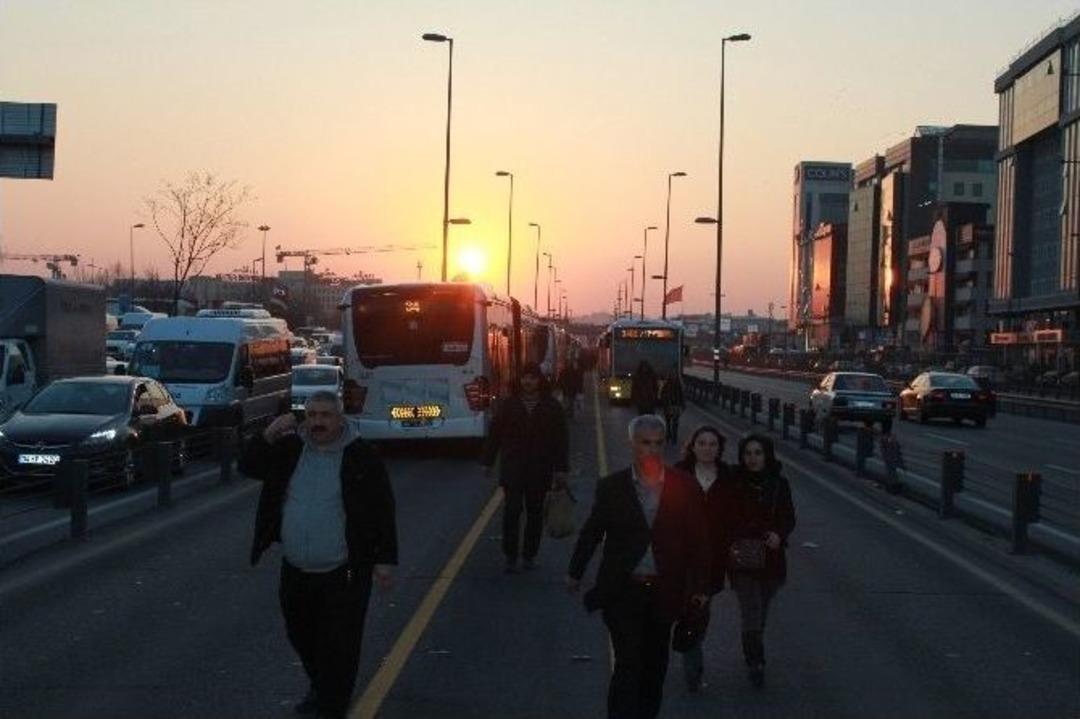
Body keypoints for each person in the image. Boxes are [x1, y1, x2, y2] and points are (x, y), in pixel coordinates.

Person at [239, 391, 397, 719]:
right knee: (301, 634)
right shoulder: (289, 450)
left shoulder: (362, 456)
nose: (318, 422)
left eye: (325, 415)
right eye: (311, 415)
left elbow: (382, 508)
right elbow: (248, 465)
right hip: (296, 567)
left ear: (340, 419)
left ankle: (332, 706)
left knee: (340, 644)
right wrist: (269, 434)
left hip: (345, 570)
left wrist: (384, 559)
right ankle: (321, 686)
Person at [566, 414, 709, 719]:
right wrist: (575, 571)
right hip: (623, 590)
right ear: (632, 444)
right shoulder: (612, 487)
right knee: (628, 662)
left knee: (654, 665)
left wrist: (700, 588)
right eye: (645, 443)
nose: (652, 450)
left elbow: (698, 540)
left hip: (664, 591)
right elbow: (593, 531)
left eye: (658, 443)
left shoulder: (685, 486)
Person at [721, 433, 796, 688]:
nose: (752, 458)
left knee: (761, 610)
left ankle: (753, 644)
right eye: (748, 453)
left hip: (772, 557)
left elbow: (788, 516)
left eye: (758, 453)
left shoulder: (779, 484)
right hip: (743, 554)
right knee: (751, 608)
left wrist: (779, 534)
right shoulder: (734, 481)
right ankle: (756, 660)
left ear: (767, 455)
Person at [483, 362, 570, 573]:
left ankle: (529, 555)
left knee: (535, 513)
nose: (528, 382)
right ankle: (511, 556)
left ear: (539, 380)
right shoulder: (508, 405)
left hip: (540, 469)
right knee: (511, 512)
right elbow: (495, 434)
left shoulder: (551, 406)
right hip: (513, 468)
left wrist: (561, 469)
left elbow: (561, 440)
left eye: (532, 377)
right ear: (519, 380)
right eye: (525, 377)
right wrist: (488, 461)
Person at [673, 425, 729, 693]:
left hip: (714, 558)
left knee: (700, 610)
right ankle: (692, 663)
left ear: (719, 449)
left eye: (713, 444)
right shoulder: (678, 473)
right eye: (702, 443)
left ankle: (690, 644)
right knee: (692, 608)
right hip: (682, 555)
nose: (707, 448)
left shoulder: (728, 477)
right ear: (692, 446)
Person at [658, 373, 685, 445]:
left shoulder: (667, 385)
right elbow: (682, 396)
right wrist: (682, 405)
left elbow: (663, 395)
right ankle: (673, 436)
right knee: (673, 422)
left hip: (670, 406)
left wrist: (663, 403)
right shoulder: (678, 386)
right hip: (674, 406)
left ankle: (670, 435)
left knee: (669, 421)